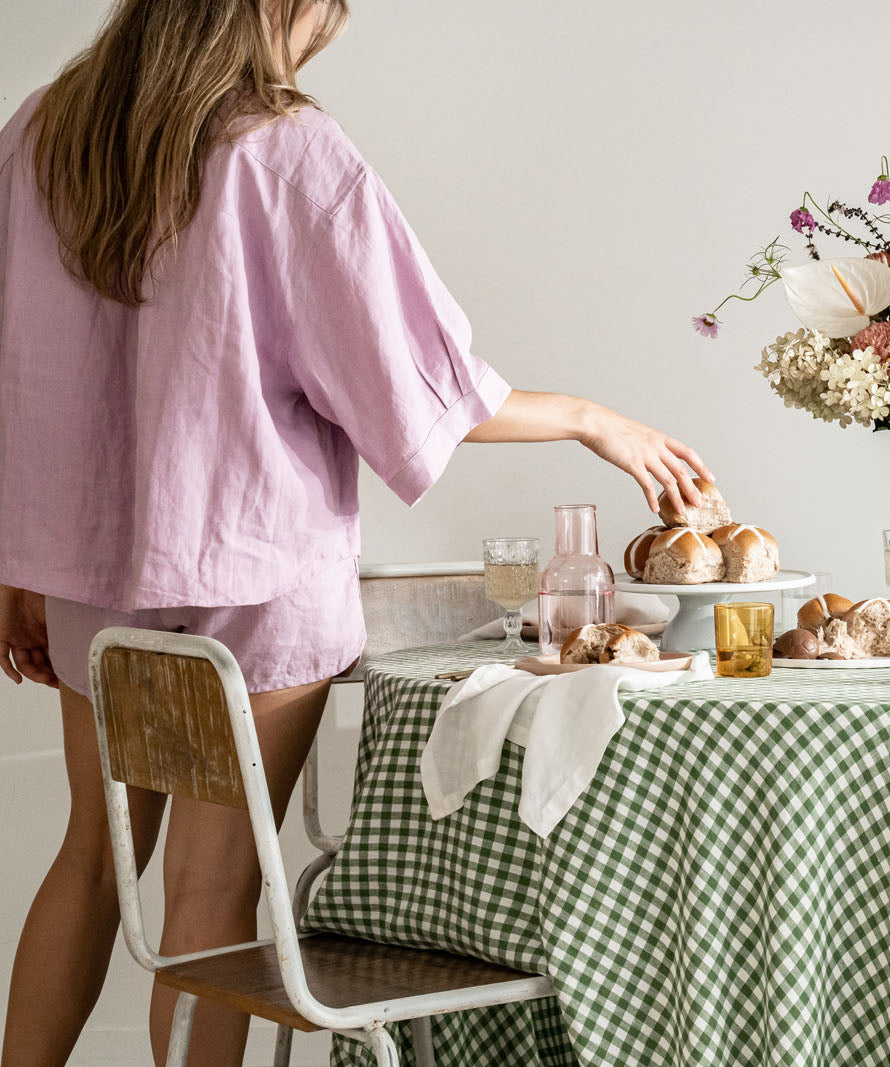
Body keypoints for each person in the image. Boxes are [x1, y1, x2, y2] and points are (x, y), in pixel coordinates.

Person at [0, 2, 708, 1064]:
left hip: (88, 573)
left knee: (94, 862)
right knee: (214, 889)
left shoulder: (46, 128)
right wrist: (590, 416)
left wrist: (14, 561)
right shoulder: (290, 154)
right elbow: (413, 384)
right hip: (254, 565)